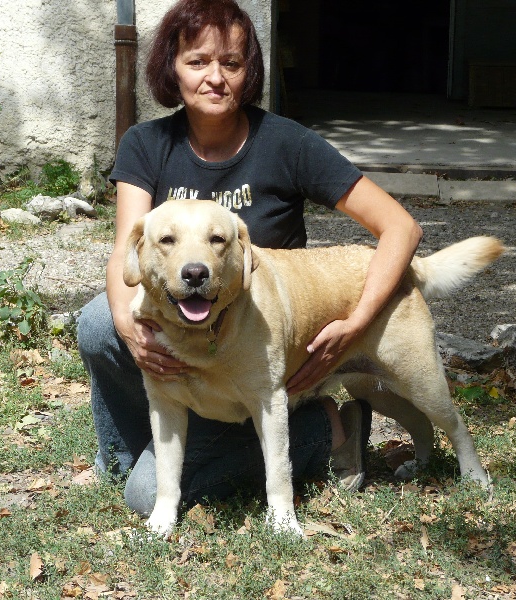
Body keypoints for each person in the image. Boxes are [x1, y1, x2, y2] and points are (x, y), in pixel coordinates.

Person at [77, 0, 424, 518]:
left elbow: (400, 227)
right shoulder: (147, 143)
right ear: (172, 67)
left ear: (250, 71)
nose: (215, 77)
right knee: (99, 322)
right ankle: (127, 456)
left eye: (232, 63)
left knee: (146, 497)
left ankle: (328, 427)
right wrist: (130, 331)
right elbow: (124, 251)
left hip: (255, 348)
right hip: (190, 353)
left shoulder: (286, 142)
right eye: (197, 61)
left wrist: (356, 323)